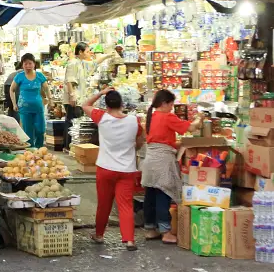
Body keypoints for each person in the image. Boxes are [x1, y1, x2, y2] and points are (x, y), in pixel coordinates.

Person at [81, 87, 144, 251]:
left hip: (105, 168)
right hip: (127, 169)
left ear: (106, 105)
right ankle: (129, 239)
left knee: (104, 204)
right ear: (122, 104)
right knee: (126, 205)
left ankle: (99, 235)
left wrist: (101, 93)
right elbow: (140, 141)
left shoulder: (101, 117)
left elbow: (85, 104)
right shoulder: (134, 121)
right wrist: (133, 148)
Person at [140, 89, 203, 244]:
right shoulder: (167, 116)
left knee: (151, 195)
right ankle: (165, 231)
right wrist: (199, 118)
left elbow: (160, 139)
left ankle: (149, 229)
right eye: (171, 104)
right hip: (162, 162)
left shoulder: (151, 117)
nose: (172, 107)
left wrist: (174, 143)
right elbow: (190, 128)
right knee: (163, 193)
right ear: (164, 103)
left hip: (150, 160)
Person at [63, 43, 114, 151]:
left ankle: (72, 147)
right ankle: (68, 146)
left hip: (79, 97)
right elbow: (69, 80)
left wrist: (108, 55)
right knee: (72, 121)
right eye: (87, 51)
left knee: (76, 122)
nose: (89, 53)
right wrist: (72, 96)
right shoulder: (73, 63)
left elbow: (94, 64)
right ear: (80, 52)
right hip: (73, 98)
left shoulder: (82, 63)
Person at [10, 53, 50, 148]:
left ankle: (39, 148)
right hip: (24, 108)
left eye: (30, 63)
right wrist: (14, 104)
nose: (28, 66)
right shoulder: (19, 76)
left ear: (34, 64)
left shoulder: (40, 76)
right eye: (25, 64)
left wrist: (50, 99)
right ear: (22, 65)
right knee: (28, 131)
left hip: (38, 108)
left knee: (40, 130)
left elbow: (47, 89)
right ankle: (31, 150)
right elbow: (12, 90)